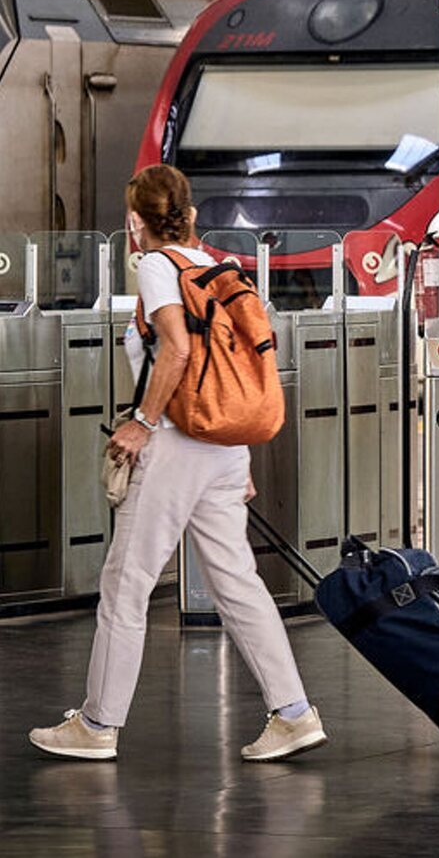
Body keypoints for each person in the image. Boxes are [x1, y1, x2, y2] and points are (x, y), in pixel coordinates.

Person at [29, 164, 327, 763]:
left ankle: (97, 723)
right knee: (236, 581)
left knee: (125, 583)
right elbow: (233, 363)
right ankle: (293, 713)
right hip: (222, 443)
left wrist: (140, 422)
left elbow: (179, 349)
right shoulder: (218, 267)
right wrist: (234, 454)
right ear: (189, 215)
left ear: (136, 222)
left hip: (175, 442)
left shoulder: (158, 267)